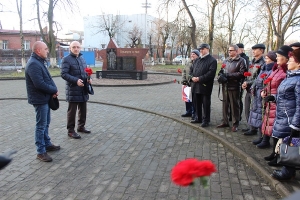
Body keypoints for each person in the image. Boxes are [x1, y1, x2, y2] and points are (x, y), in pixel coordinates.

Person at [25, 41, 60, 162]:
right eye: (45, 49)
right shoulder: (33, 64)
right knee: (41, 125)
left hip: (45, 98)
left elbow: (48, 79)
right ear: (38, 50)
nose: (47, 50)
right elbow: (39, 84)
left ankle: (47, 144)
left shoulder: (39, 62)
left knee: (46, 123)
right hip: (39, 99)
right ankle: (40, 151)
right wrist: (53, 90)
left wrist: (53, 90)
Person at [270, 48, 300, 180]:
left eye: (291, 60)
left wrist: (295, 124)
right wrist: (273, 98)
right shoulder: (291, 76)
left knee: (292, 144)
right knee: (289, 143)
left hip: (291, 119)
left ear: (298, 63)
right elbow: (286, 97)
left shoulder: (298, 80)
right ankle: (289, 170)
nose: (288, 62)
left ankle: (288, 171)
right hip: (284, 116)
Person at [261, 45, 293, 166]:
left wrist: (274, 96)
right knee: (274, 130)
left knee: (278, 130)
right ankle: (274, 153)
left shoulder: (285, 72)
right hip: (271, 101)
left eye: (280, 56)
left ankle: (278, 155)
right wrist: (264, 91)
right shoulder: (276, 69)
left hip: (279, 104)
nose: (277, 58)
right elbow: (269, 82)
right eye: (277, 56)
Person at [61, 41, 91, 139]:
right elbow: (64, 74)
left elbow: (85, 71)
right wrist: (75, 80)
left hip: (83, 89)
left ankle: (81, 127)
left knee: (83, 110)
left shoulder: (82, 58)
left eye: (78, 47)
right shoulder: (66, 59)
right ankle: (70, 130)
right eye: (74, 47)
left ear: (80, 48)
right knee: (72, 111)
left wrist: (88, 79)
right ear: (70, 48)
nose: (76, 49)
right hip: (73, 89)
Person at [248, 51, 276, 147]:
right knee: (259, 116)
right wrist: (253, 87)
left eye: (267, 58)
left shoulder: (272, 69)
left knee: (264, 117)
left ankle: (265, 139)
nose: (265, 60)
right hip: (258, 94)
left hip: (264, 95)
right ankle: (260, 137)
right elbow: (257, 79)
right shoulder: (264, 68)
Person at [217, 44, 246, 132]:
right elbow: (222, 71)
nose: (229, 52)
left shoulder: (241, 61)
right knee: (225, 105)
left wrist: (228, 75)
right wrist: (220, 75)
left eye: (231, 50)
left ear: (236, 51)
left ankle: (235, 123)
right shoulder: (226, 60)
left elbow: (242, 73)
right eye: (229, 50)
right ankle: (225, 121)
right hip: (225, 86)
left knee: (234, 106)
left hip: (234, 86)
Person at [190, 43, 217, 127]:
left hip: (205, 86)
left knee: (205, 104)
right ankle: (198, 117)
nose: (201, 50)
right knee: (196, 103)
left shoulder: (212, 60)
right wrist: (192, 77)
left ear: (208, 49)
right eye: (200, 49)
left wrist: (199, 78)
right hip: (195, 85)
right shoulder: (197, 60)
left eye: (203, 49)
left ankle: (206, 120)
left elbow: (211, 73)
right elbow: (192, 70)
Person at [242, 44, 265, 134]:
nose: (253, 51)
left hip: (256, 90)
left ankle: (254, 128)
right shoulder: (252, 62)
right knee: (247, 108)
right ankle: (250, 125)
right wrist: (245, 82)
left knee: (254, 109)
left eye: (256, 49)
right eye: (253, 49)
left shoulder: (263, 63)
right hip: (248, 88)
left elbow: (259, 78)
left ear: (261, 51)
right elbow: (248, 74)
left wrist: (248, 83)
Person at [181, 50, 199, 119]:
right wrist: (183, 80)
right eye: (191, 54)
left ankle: (193, 113)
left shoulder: (198, 62)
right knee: (187, 98)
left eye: (194, 54)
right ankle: (188, 111)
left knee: (193, 99)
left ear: (197, 55)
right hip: (187, 83)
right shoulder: (188, 62)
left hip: (194, 83)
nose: (192, 55)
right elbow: (184, 71)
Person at [236, 43, 250, 124]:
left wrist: (244, 81)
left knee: (238, 99)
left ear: (241, 49)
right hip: (235, 82)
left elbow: (245, 71)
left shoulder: (244, 59)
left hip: (241, 82)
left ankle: (238, 116)